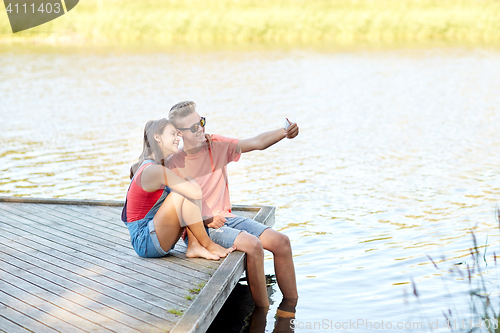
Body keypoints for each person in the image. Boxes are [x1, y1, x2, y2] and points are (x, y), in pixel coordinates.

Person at [166, 101, 299, 308]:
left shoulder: (216, 145)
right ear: (179, 133)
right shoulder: (172, 162)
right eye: (193, 127)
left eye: (201, 122)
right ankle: (262, 316)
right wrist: (207, 219)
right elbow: (176, 209)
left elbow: (256, 142)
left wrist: (284, 132)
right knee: (254, 246)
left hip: (227, 218)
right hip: (201, 229)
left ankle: (289, 311)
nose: (201, 129)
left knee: (281, 242)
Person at [121, 118, 234, 260]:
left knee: (188, 183)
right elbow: (195, 193)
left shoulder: (156, 166)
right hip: (144, 241)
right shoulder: (153, 170)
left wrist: (201, 141)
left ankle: (194, 245)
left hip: (154, 235)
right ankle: (208, 244)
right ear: (157, 137)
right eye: (173, 134)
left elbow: (187, 163)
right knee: (182, 192)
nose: (178, 138)